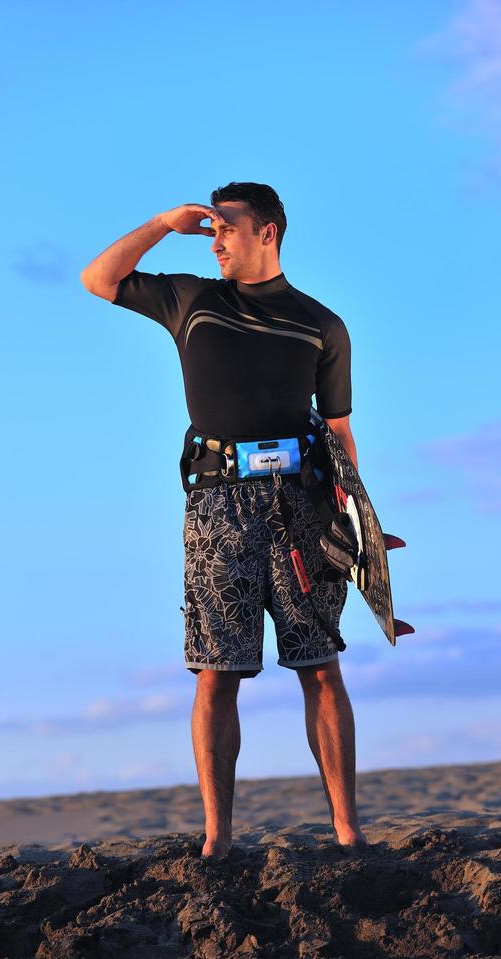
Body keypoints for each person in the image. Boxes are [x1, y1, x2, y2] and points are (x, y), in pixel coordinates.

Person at [80, 182, 368, 859]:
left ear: (268, 231)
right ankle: (217, 837)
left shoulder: (321, 324)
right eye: (209, 230)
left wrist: (358, 518)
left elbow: (339, 430)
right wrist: (161, 222)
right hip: (218, 504)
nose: (214, 241)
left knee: (320, 666)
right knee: (216, 670)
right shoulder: (192, 300)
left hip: (304, 504)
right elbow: (99, 279)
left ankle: (348, 830)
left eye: (227, 228)